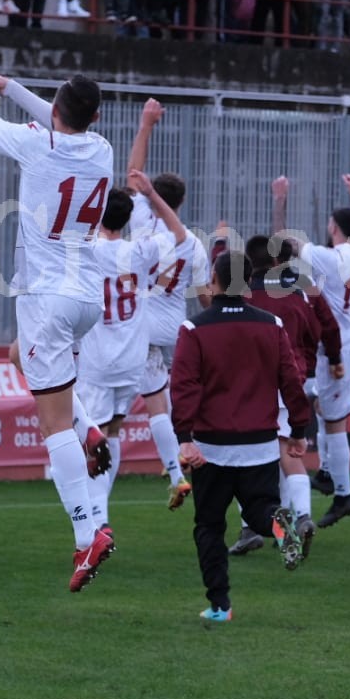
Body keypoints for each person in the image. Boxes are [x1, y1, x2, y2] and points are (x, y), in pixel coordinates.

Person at [0, 52, 117, 593]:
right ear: (93, 118)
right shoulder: (101, 150)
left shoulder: (39, 145)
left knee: (51, 427)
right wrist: (6, 83)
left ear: (60, 111)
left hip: (46, 297)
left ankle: (87, 534)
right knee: (22, 362)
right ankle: (89, 425)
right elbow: (56, 116)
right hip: (87, 299)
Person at [173, 250, 313, 624]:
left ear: (215, 282)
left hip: (212, 447)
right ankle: (282, 526)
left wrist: (184, 436)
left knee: (209, 525)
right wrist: (298, 429)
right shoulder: (272, 325)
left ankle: (220, 606)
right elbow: (291, 380)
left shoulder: (194, 329)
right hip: (260, 443)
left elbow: (184, 385)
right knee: (259, 510)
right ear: (248, 282)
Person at [73, 170, 187, 543]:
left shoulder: (87, 248)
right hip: (133, 360)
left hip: (98, 360)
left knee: (93, 441)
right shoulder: (140, 250)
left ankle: (99, 522)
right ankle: (99, 515)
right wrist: (152, 194)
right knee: (114, 431)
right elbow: (178, 235)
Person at [271, 172, 350, 528]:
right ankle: (330, 473)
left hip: (339, 346)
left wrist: (281, 199)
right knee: (324, 408)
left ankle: (343, 494)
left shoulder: (327, 257)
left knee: (334, 423)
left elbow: (283, 242)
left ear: (334, 228)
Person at [225, 233, 340, 558]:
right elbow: (323, 328)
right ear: (278, 262)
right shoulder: (301, 291)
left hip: (253, 387)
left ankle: (252, 527)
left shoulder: (243, 296)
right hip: (294, 382)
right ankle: (301, 516)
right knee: (289, 453)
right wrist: (332, 359)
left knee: (245, 459)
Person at [125, 99, 213, 509]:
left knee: (119, 405)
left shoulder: (142, 220)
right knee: (156, 397)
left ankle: (174, 472)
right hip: (170, 325)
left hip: (137, 321)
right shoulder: (193, 243)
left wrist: (145, 125)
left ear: (151, 195)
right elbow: (205, 296)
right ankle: (176, 469)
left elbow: (132, 175)